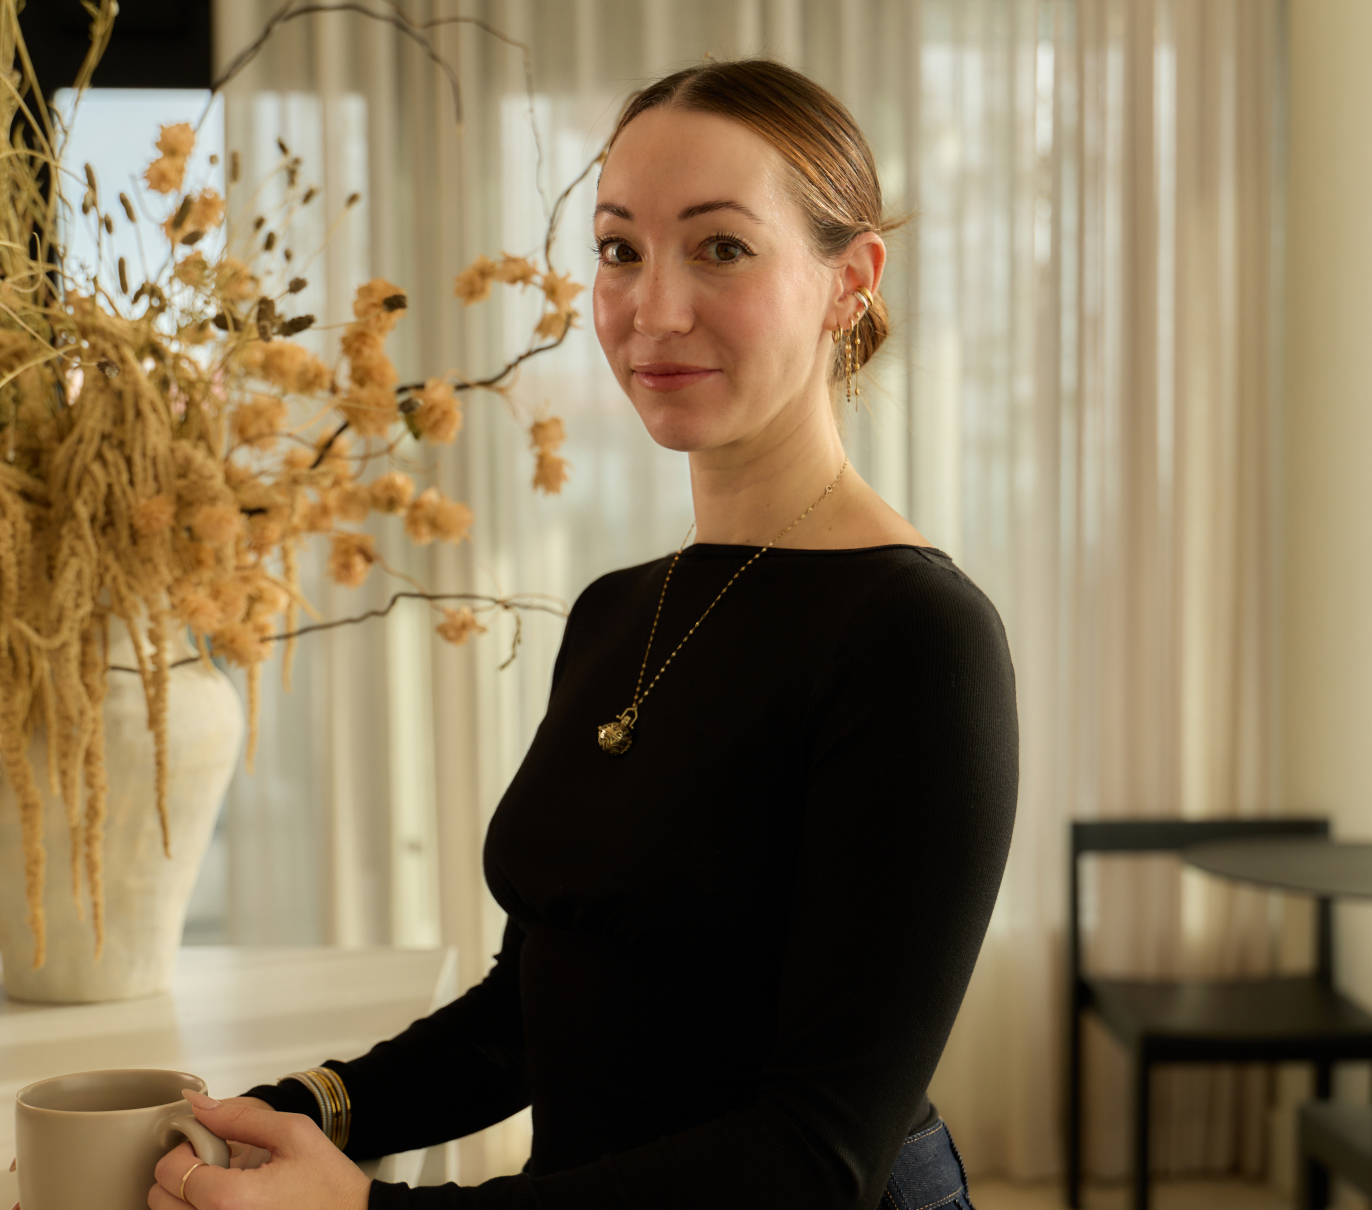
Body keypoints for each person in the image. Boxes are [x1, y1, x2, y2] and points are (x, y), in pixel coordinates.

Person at [150, 58, 1018, 1210]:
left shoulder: (918, 636)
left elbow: (815, 1156)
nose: (652, 307)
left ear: (847, 281)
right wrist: (294, 1109)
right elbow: (531, 1012)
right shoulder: (622, 607)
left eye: (720, 247)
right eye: (620, 248)